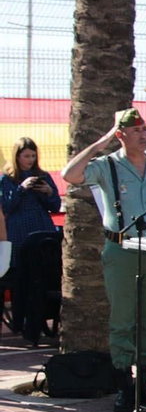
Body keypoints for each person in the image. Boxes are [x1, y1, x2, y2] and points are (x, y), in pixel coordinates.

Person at [62, 109, 146, 412]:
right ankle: (125, 385)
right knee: (123, 319)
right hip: (121, 252)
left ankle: (145, 384)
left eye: (145, 130)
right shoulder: (107, 167)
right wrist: (102, 141)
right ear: (121, 136)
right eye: (136, 131)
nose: (144, 135)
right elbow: (70, 175)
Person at [2, 137, 61, 344]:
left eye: (33, 155)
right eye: (26, 155)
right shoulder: (7, 178)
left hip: (42, 228)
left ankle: (46, 319)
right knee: (23, 276)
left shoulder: (42, 175)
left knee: (45, 276)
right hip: (19, 232)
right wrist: (22, 188)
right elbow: (7, 206)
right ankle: (25, 322)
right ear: (16, 156)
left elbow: (55, 206)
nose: (30, 159)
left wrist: (49, 192)